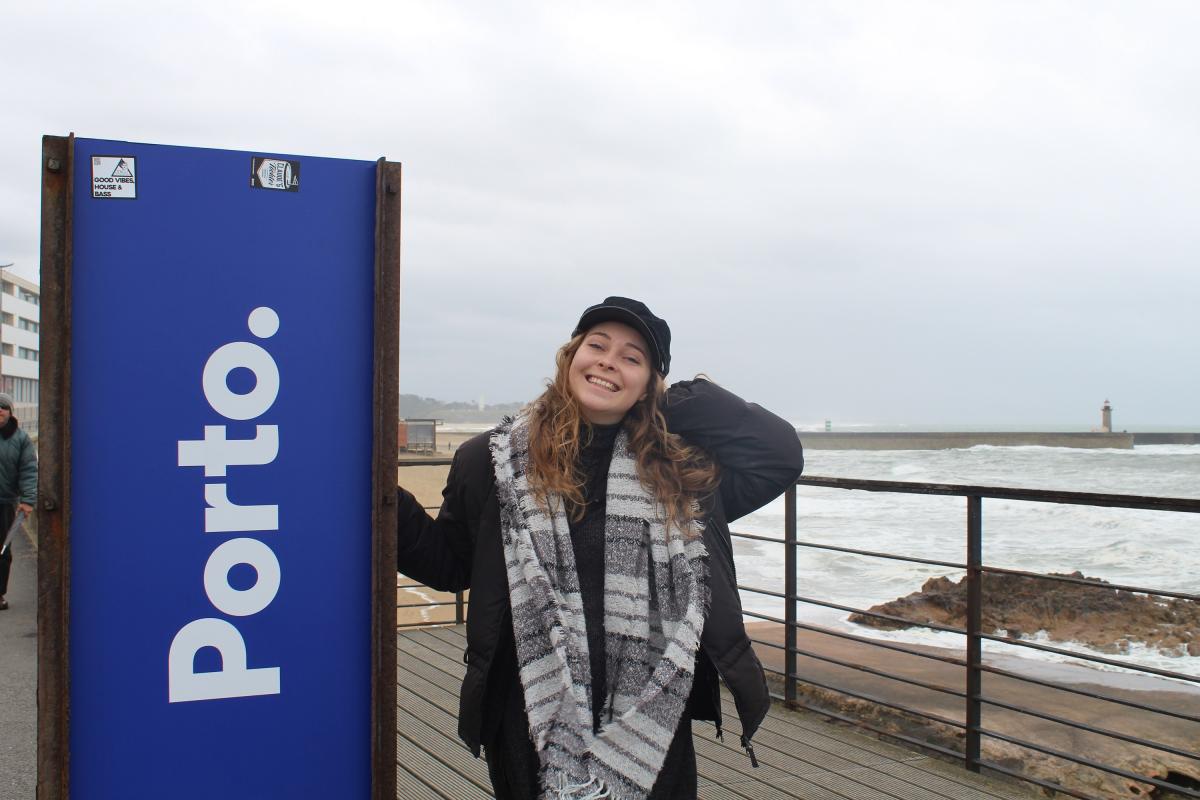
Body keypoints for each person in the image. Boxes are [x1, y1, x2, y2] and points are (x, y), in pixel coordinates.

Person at [396, 297, 804, 799]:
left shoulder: (680, 474)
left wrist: (665, 400)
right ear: (570, 357)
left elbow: (779, 454)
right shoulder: (491, 460)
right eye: (597, 346)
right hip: (530, 708)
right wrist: (381, 499)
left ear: (650, 383)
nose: (609, 360)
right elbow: (449, 562)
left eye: (632, 358)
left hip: (649, 713)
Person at [0, 392, 37, 611]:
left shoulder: (21, 439)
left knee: (3, 551)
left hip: (6, 502)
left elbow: (29, 471)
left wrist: (28, 500)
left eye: (3, 408)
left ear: (10, 412)